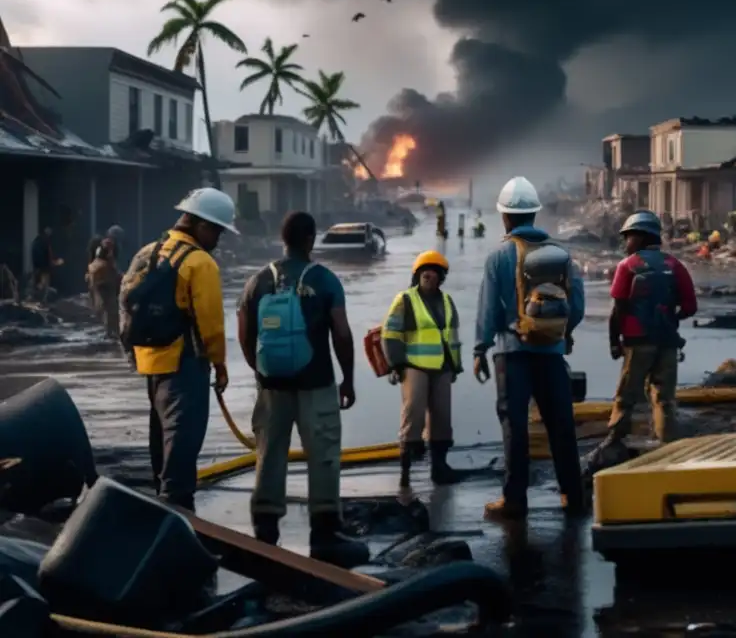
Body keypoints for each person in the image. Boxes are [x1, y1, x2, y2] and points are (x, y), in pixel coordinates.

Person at [236, 211, 366, 566]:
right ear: (310, 239)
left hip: (271, 387)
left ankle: (265, 535)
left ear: (283, 238)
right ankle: (324, 536)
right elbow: (340, 332)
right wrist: (349, 378)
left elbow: (245, 334)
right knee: (323, 455)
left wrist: (261, 370)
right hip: (317, 383)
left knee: (269, 455)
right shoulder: (324, 280)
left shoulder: (257, 280)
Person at [474, 175, 586, 521]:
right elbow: (577, 305)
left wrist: (481, 348)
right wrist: (559, 333)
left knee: (515, 426)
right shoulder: (561, 255)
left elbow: (489, 309)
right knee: (561, 425)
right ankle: (572, 495)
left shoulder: (499, 257)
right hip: (551, 354)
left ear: (505, 217)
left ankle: (515, 499)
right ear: (535, 215)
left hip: (513, 352)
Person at [119, 187, 235, 512]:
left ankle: (163, 501)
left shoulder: (147, 253)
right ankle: (178, 513)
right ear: (200, 225)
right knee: (183, 440)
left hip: (150, 361)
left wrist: (133, 354)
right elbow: (211, 322)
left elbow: (125, 305)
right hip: (184, 363)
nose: (218, 239)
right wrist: (220, 364)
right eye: (217, 231)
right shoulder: (200, 263)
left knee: (161, 437)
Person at [606, 210, 698, 446]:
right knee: (664, 398)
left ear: (642, 237)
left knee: (626, 397)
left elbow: (618, 309)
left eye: (629, 237)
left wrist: (614, 342)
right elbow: (690, 307)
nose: (626, 243)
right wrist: (671, 320)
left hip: (637, 343)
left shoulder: (628, 266)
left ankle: (615, 442)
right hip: (667, 342)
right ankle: (666, 445)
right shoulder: (675, 265)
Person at [381, 250, 463, 489]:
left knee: (441, 418)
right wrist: (396, 364)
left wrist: (455, 366)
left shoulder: (447, 301)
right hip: (414, 365)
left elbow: (453, 336)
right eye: (424, 272)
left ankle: (440, 468)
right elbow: (390, 333)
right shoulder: (405, 299)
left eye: (434, 272)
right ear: (417, 275)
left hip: (442, 367)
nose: (429, 275)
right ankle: (405, 473)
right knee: (413, 416)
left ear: (440, 277)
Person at [87, 237, 121, 339]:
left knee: (109, 308)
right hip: (103, 284)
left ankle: (111, 330)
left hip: (106, 284)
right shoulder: (101, 262)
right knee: (107, 308)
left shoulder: (104, 260)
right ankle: (110, 330)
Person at [31, 226, 62, 302]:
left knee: (41, 284)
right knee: (43, 285)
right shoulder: (45, 243)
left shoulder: (35, 242)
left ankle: (37, 298)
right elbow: (49, 258)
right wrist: (57, 262)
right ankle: (40, 300)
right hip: (44, 268)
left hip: (37, 268)